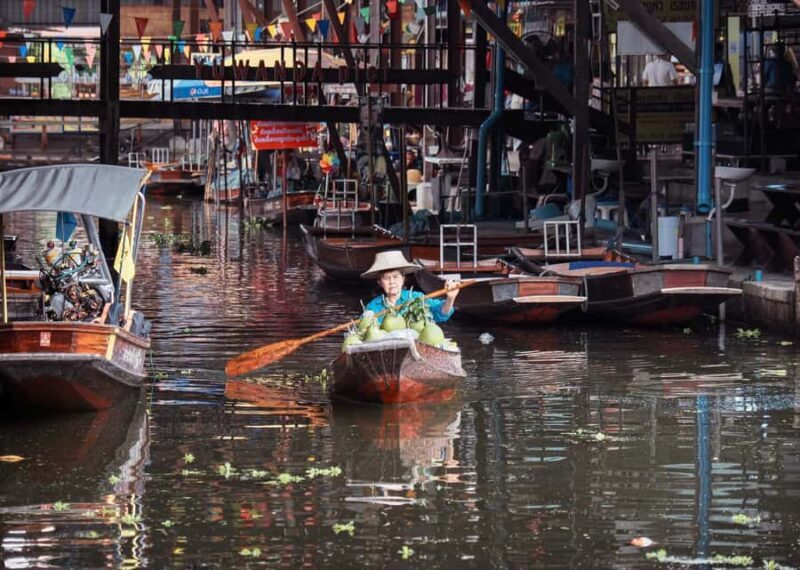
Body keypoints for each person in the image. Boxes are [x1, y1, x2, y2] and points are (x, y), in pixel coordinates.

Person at [361, 250, 459, 324]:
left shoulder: (416, 298)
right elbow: (362, 327)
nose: (392, 282)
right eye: (386, 278)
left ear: (403, 279)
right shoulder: (373, 307)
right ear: (380, 282)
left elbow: (441, 313)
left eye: (395, 277)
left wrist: (450, 298)